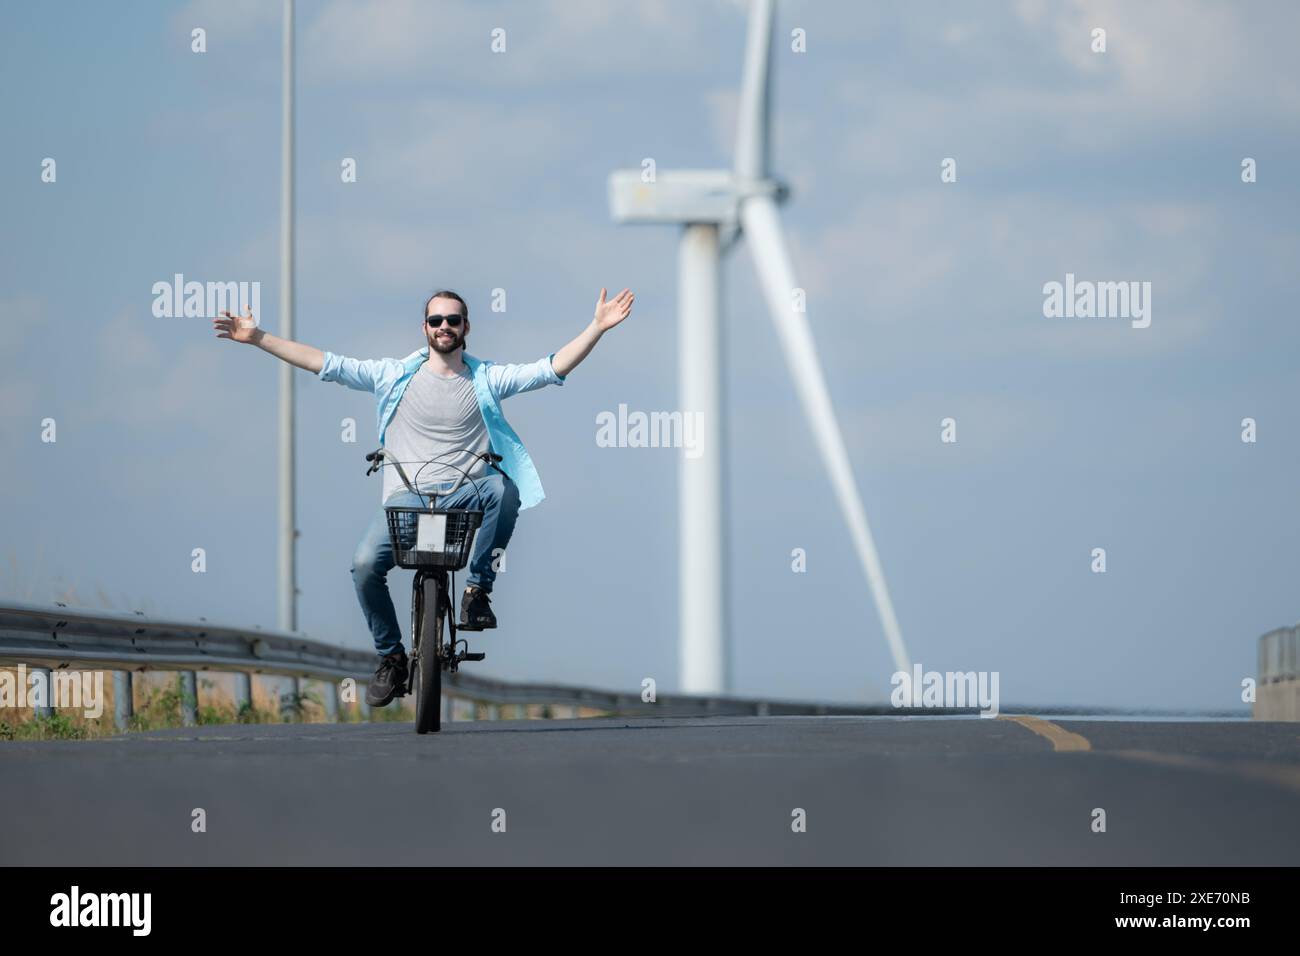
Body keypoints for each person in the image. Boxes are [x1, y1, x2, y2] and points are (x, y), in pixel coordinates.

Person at [214, 286, 635, 705]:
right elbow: (326, 364)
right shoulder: (393, 375)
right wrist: (258, 337)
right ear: (425, 328)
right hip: (408, 500)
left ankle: (477, 592)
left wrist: (596, 327)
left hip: (467, 494)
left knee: (505, 490)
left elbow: (549, 369)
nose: (445, 327)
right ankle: (391, 658)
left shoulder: (486, 378)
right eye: (437, 320)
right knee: (363, 567)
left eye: (453, 320)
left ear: (466, 326)